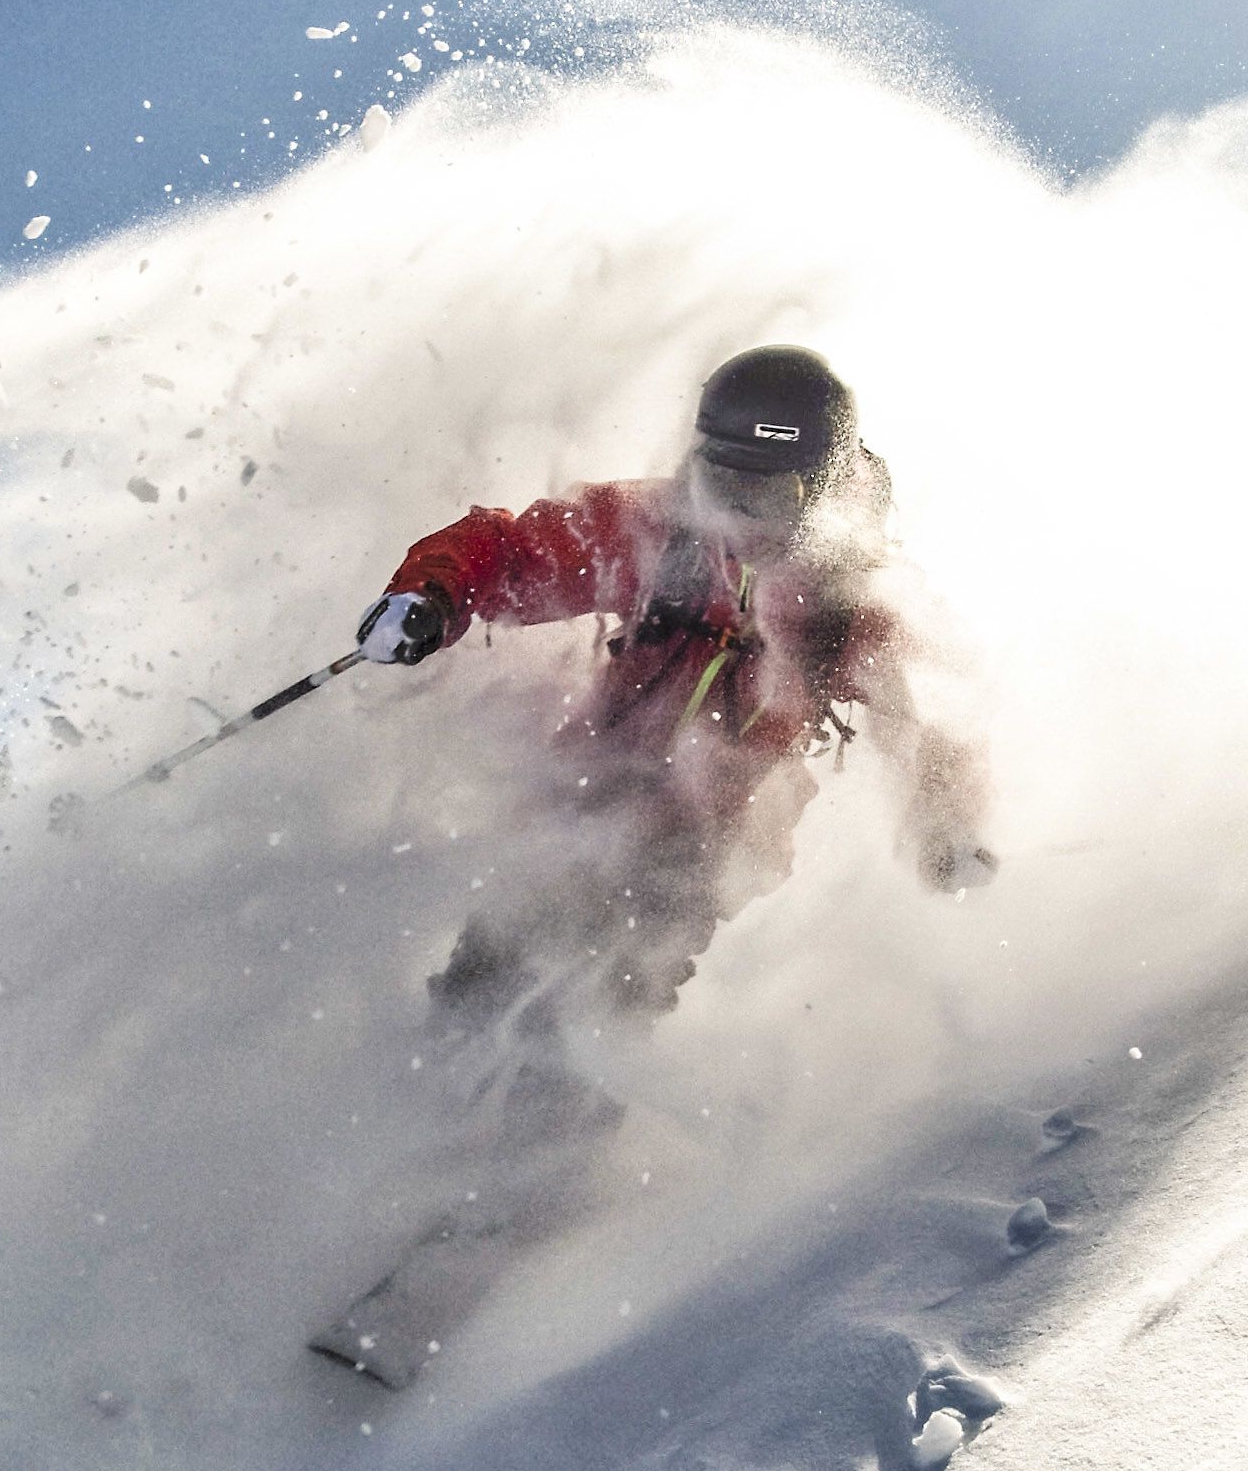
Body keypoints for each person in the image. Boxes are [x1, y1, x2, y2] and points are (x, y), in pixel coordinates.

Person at [354, 345, 991, 1046]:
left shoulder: (846, 606)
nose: (741, 517)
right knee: (486, 979)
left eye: (768, 496)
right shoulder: (662, 534)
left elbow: (922, 724)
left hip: (696, 848)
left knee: (594, 1004)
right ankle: (444, 1089)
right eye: (723, 485)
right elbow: (514, 550)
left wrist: (945, 827)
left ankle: (550, 1130)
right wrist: (433, 594)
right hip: (582, 793)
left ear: (823, 487)